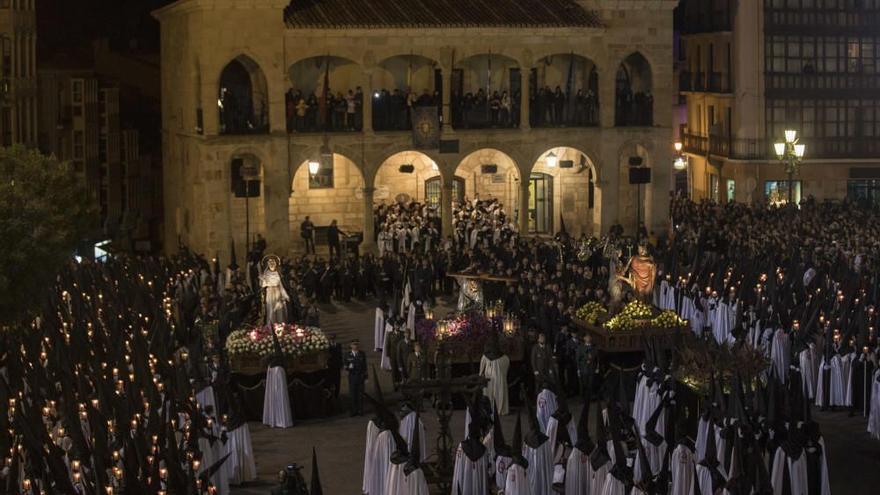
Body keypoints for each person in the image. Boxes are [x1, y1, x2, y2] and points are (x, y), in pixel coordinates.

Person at [344, 339, 367, 416]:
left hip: (360, 377)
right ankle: (353, 411)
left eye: (357, 344)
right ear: (351, 346)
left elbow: (365, 366)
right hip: (352, 377)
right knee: (353, 394)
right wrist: (348, 367)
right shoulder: (347, 355)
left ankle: (360, 410)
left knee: (360, 394)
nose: (355, 346)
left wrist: (366, 377)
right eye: (354, 344)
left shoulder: (362, 354)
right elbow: (345, 366)